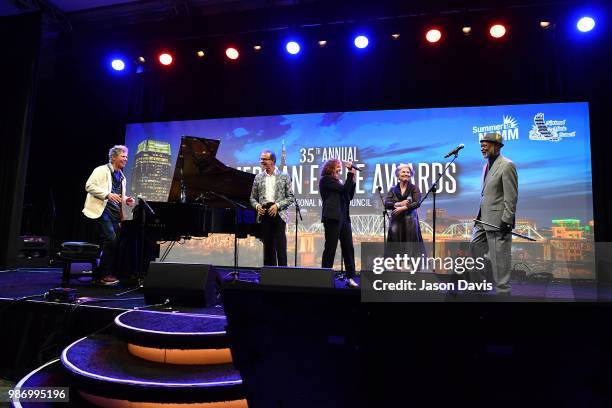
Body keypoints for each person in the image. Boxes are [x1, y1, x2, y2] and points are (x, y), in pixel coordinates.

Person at [470, 132, 518, 294]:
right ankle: (481, 286)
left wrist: (507, 220)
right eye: (481, 145)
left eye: (486, 144)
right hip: (482, 218)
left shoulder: (507, 165)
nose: (482, 147)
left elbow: (511, 196)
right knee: (474, 248)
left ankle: (503, 291)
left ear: (497, 146)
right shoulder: (486, 166)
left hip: (498, 220)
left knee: (500, 258)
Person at [82, 145, 135, 285]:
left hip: (114, 213)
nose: (126, 159)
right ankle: (102, 275)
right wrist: (107, 195)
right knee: (111, 240)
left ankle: (102, 273)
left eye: (126, 157)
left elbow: (118, 196)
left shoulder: (122, 176)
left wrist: (126, 199)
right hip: (101, 211)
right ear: (113, 157)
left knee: (115, 242)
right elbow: (89, 186)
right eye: (123, 156)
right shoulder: (101, 170)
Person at [250, 149, 295, 266]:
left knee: (280, 246)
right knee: (268, 248)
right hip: (264, 213)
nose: (261, 161)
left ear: (272, 161)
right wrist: (257, 206)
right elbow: (252, 198)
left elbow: (290, 197)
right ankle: (269, 275)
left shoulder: (284, 176)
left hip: (279, 213)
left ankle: (282, 274)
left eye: (264, 159)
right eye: (261, 159)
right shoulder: (258, 177)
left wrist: (277, 205)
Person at [319, 158, 358, 287]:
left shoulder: (339, 182)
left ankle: (351, 277)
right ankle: (324, 277)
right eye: (338, 167)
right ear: (330, 168)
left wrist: (353, 179)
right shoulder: (326, 180)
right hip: (332, 218)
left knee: (348, 248)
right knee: (330, 248)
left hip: (344, 218)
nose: (340, 170)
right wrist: (350, 174)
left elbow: (349, 195)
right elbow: (343, 190)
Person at [384, 164, 426, 263]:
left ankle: (410, 266)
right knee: (395, 244)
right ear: (398, 174)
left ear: (411, 175)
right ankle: (395, 266)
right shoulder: (393, 189)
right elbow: (386, 204)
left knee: (410, 244)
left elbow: (417, 203)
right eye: (403, 172)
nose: (406, 174)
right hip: (396, 222)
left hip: (410, 221)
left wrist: (403, 208)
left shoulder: (414, 188)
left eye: (408, 172)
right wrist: (398, 204)